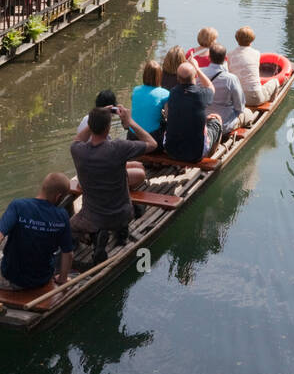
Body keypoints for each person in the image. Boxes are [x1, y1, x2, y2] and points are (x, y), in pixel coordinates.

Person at [70, 105, 156, 255]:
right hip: (122, 214)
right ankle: (118, 231)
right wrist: (130, 122)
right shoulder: (118, 147)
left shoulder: (78, 151)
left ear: (90, 126)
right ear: (108, 128)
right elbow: (152, 144)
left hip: (92, 217)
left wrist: (95, 119)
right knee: (131, 189)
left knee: (69, 226)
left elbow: (78, 139)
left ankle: (94, 236)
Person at [0, 173, 74, 290]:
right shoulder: (62, 216)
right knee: (8, 239)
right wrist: (62, 279)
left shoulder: (19, 205)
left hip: (12, 280)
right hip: (42, 278)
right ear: (58, 197)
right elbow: (68, 253)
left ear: (42, 188)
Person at [164, 61, 221, 161]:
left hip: (171, 151)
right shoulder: (201, 94)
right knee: (217, 120)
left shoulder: (173, 93)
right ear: (195, 76)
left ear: (178, 78)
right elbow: (211, 87)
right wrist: (198, 68)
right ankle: (210, 157)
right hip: (195, 154)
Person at [203, 42, 251, 136]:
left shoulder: (200, 74)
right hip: (224, 125)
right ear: (225, 59)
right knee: (247, 112)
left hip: (203, 121)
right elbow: (239, 107)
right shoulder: (231, 79)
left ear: (209, 57)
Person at [227, 26, 279, 108]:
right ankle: (271, 102)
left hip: (237, 99)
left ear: (237, 39)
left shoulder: (229, 55)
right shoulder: (256, 53)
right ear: (252, 40)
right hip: (255, 98)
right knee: (275, 81)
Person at [129, 60, 170, 146]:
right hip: (152, 139)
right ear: (159, 76)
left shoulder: (135, 90)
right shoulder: (165, 93)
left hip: (132, 137)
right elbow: (168, 116)